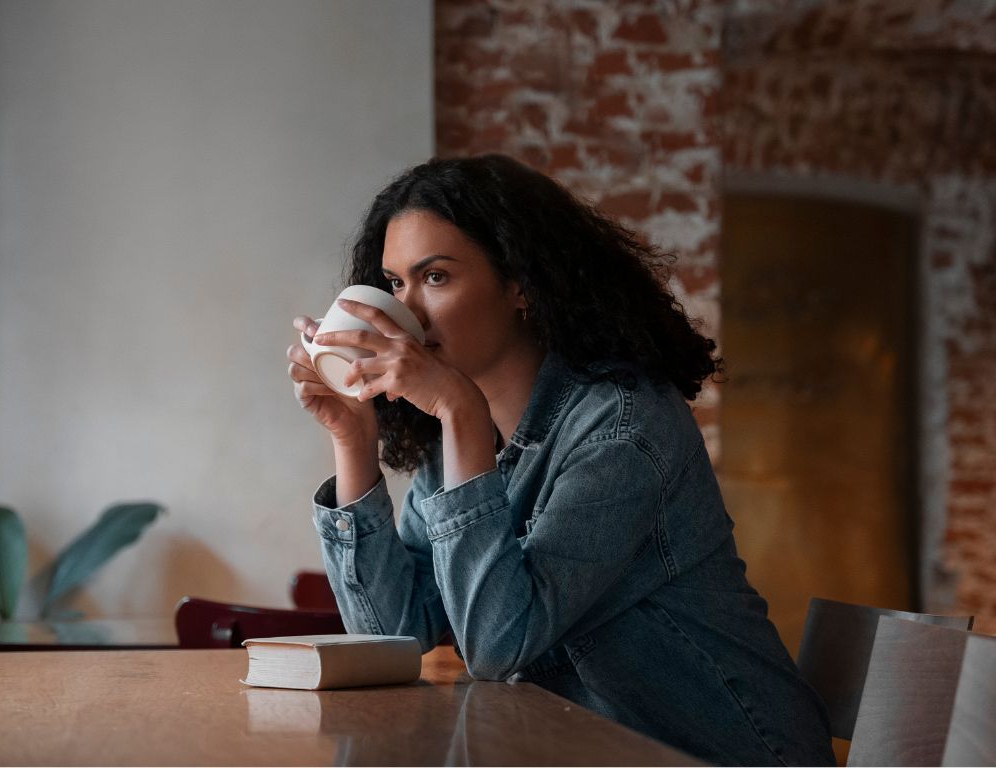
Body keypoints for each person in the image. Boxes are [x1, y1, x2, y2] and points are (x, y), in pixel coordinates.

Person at [285, 154, 834, 766]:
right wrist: (353, 440)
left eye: (435, 277)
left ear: (521, 284)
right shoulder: (458, 439)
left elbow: (497, 646)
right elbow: (392, 638)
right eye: (395, 284)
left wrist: (460, 413)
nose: (407, 312)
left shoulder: (623, 426)